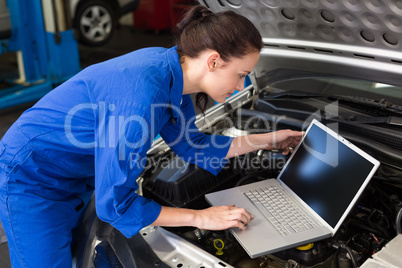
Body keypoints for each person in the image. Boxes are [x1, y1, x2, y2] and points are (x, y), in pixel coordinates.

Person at [0, 5, 303, 267]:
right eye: (240, 74)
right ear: (213, 61)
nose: (241, 85)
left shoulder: (173, 76)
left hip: (76, 173)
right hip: (32, 179)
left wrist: (268, 140)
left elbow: (195, 145)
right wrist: (201, 218)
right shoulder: (142, 97)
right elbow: (115, 205)